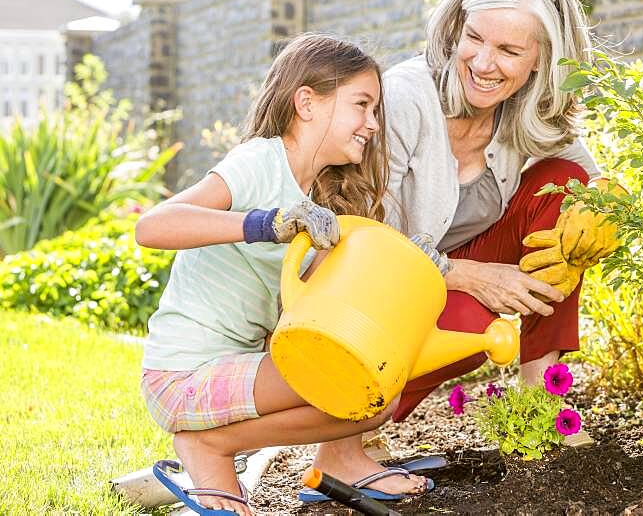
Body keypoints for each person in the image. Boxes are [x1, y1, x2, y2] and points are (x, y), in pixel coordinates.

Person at [135, 34, 436, 516]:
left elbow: (336, 300)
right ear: (306, 102)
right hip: (184, 375)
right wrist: (265, 223)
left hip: (237, 373)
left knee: (374, 385)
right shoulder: (260, 161)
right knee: (365, 388)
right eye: (362, 105)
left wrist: (406, 266)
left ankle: (217, 446)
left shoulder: (316, 195)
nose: (373, 124)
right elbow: (152, 226)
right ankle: (211, 446)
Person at [380, 0, 620, 419]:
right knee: (470, 327)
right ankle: (356, 417)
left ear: (540, 61)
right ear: (455, 30)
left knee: (566, 187)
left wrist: (607, 203)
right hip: (378, 287)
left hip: (448, 274)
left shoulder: (524, 108)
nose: (484, 63)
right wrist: (469, 276)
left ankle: (542, 409)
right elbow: (366, 239)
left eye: (509, 51)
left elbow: (587, 177)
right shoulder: (405, 97)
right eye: (474, 38)